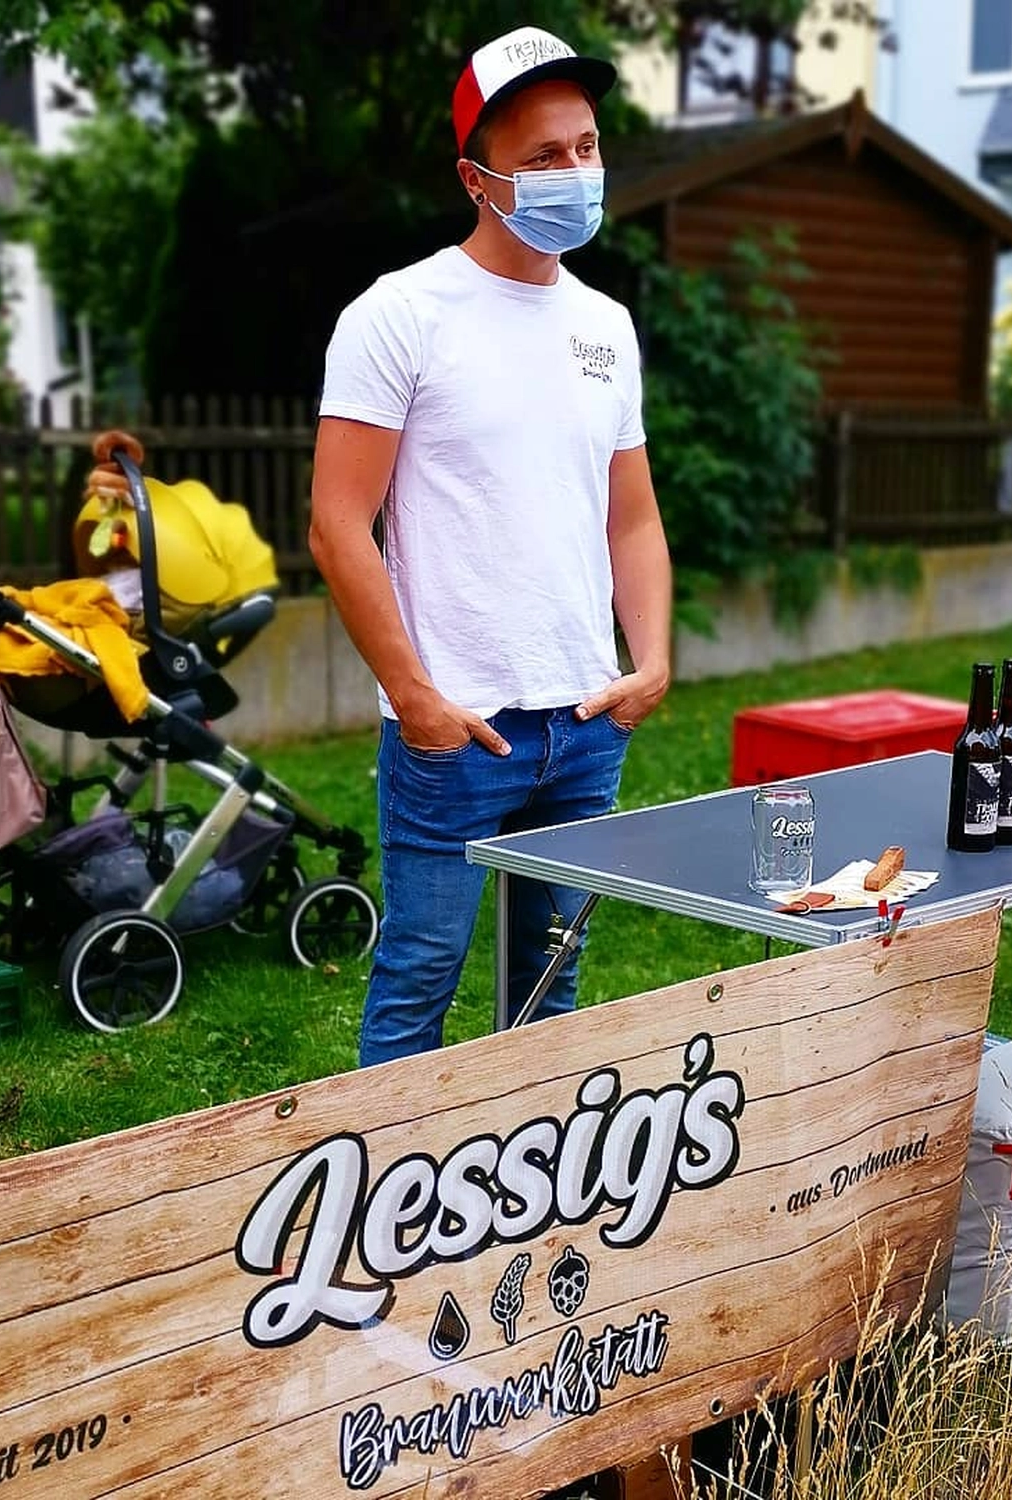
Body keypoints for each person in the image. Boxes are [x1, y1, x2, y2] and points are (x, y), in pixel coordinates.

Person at [308, 24, 672, 1068]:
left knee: (548, 992)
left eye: (588, 147)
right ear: (478, 177)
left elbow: (632, 515)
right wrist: (415, 699)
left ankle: (523, 1201)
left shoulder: (607, 325)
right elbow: (338, 525)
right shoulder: (400, 316)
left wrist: (650, 662)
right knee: (418, 987)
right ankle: (387, 1214)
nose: (577, 172)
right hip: (458, 732)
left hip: (587, 722)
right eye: (545, 156)